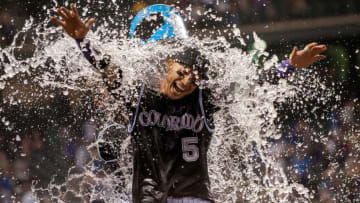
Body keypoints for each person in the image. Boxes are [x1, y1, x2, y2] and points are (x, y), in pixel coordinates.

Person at [50, 4, 327, 203]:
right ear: (169, 65)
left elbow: (254, 86)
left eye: (193, 80)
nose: (185, 83)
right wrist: (83, 40)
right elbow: (108, 68)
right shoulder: (140, 97)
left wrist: (290, 65)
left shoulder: (205, 99)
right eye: (181, 74)